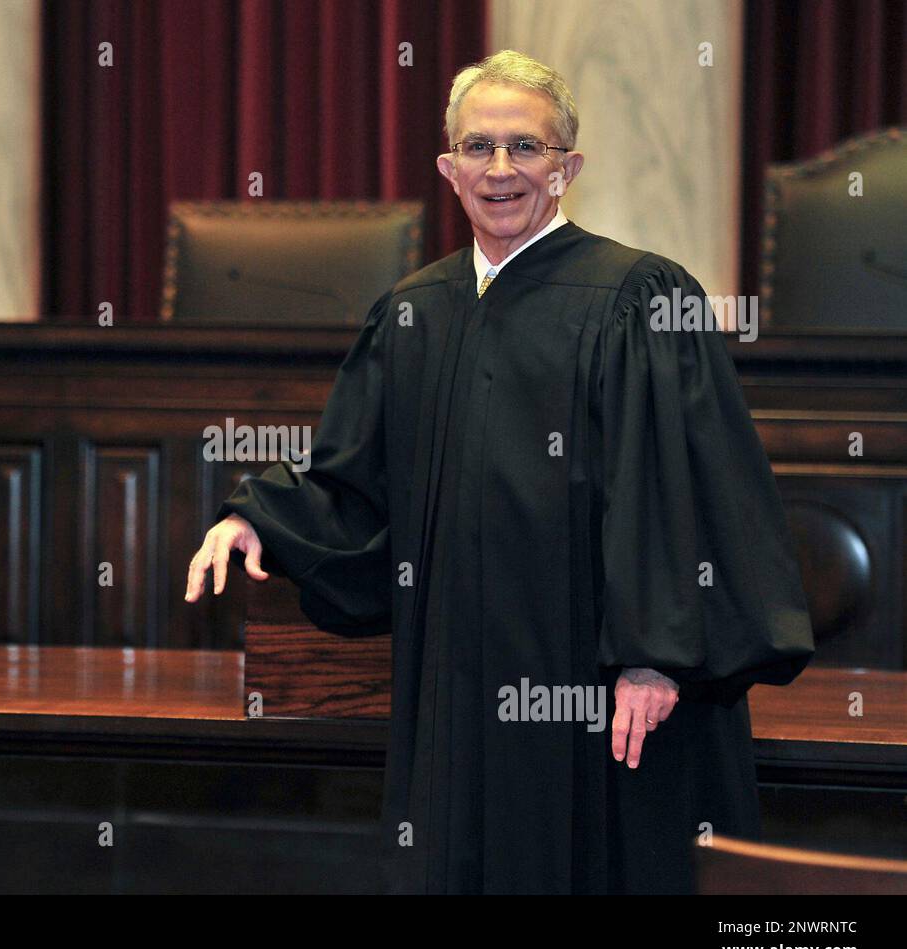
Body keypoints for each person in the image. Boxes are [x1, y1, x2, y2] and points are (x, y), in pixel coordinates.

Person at [184, 50, 814, 894]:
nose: (502, 168)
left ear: (568, 169)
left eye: (528, 147)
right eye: (479, 147)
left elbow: (686, 491)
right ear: (448, 169)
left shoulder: (638, 297)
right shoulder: (415, 310)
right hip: (457, 693)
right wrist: (257, 514)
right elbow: (356, 480)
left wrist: (656, 656)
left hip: (600, 697)